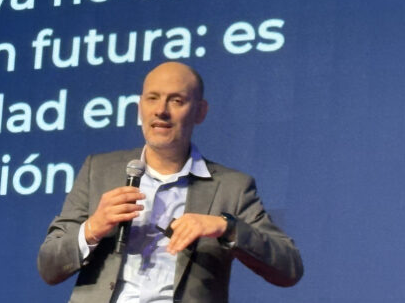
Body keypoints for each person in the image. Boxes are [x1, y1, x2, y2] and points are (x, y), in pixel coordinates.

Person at [38, 62, 303, 302]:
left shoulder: (232, 187)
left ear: (200, 111)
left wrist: (226, 227)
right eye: (152, 98)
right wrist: (93, 228)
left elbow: (289, 268)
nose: (161, 111)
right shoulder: (98, 170)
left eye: (176, 101)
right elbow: (49, 267)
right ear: (140, 107)